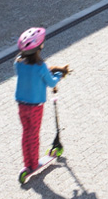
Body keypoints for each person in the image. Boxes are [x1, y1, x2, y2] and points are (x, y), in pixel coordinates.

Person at [13, 26, 70, 184]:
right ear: (40, 47)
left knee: (26, 133)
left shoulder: (18, 63)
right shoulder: (41, 67)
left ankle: (27, 163)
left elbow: (25, 73)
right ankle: (33, 163)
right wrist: (58, 74)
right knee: (34, 134)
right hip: (35, 106)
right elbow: (51, 83)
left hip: (21, 105)